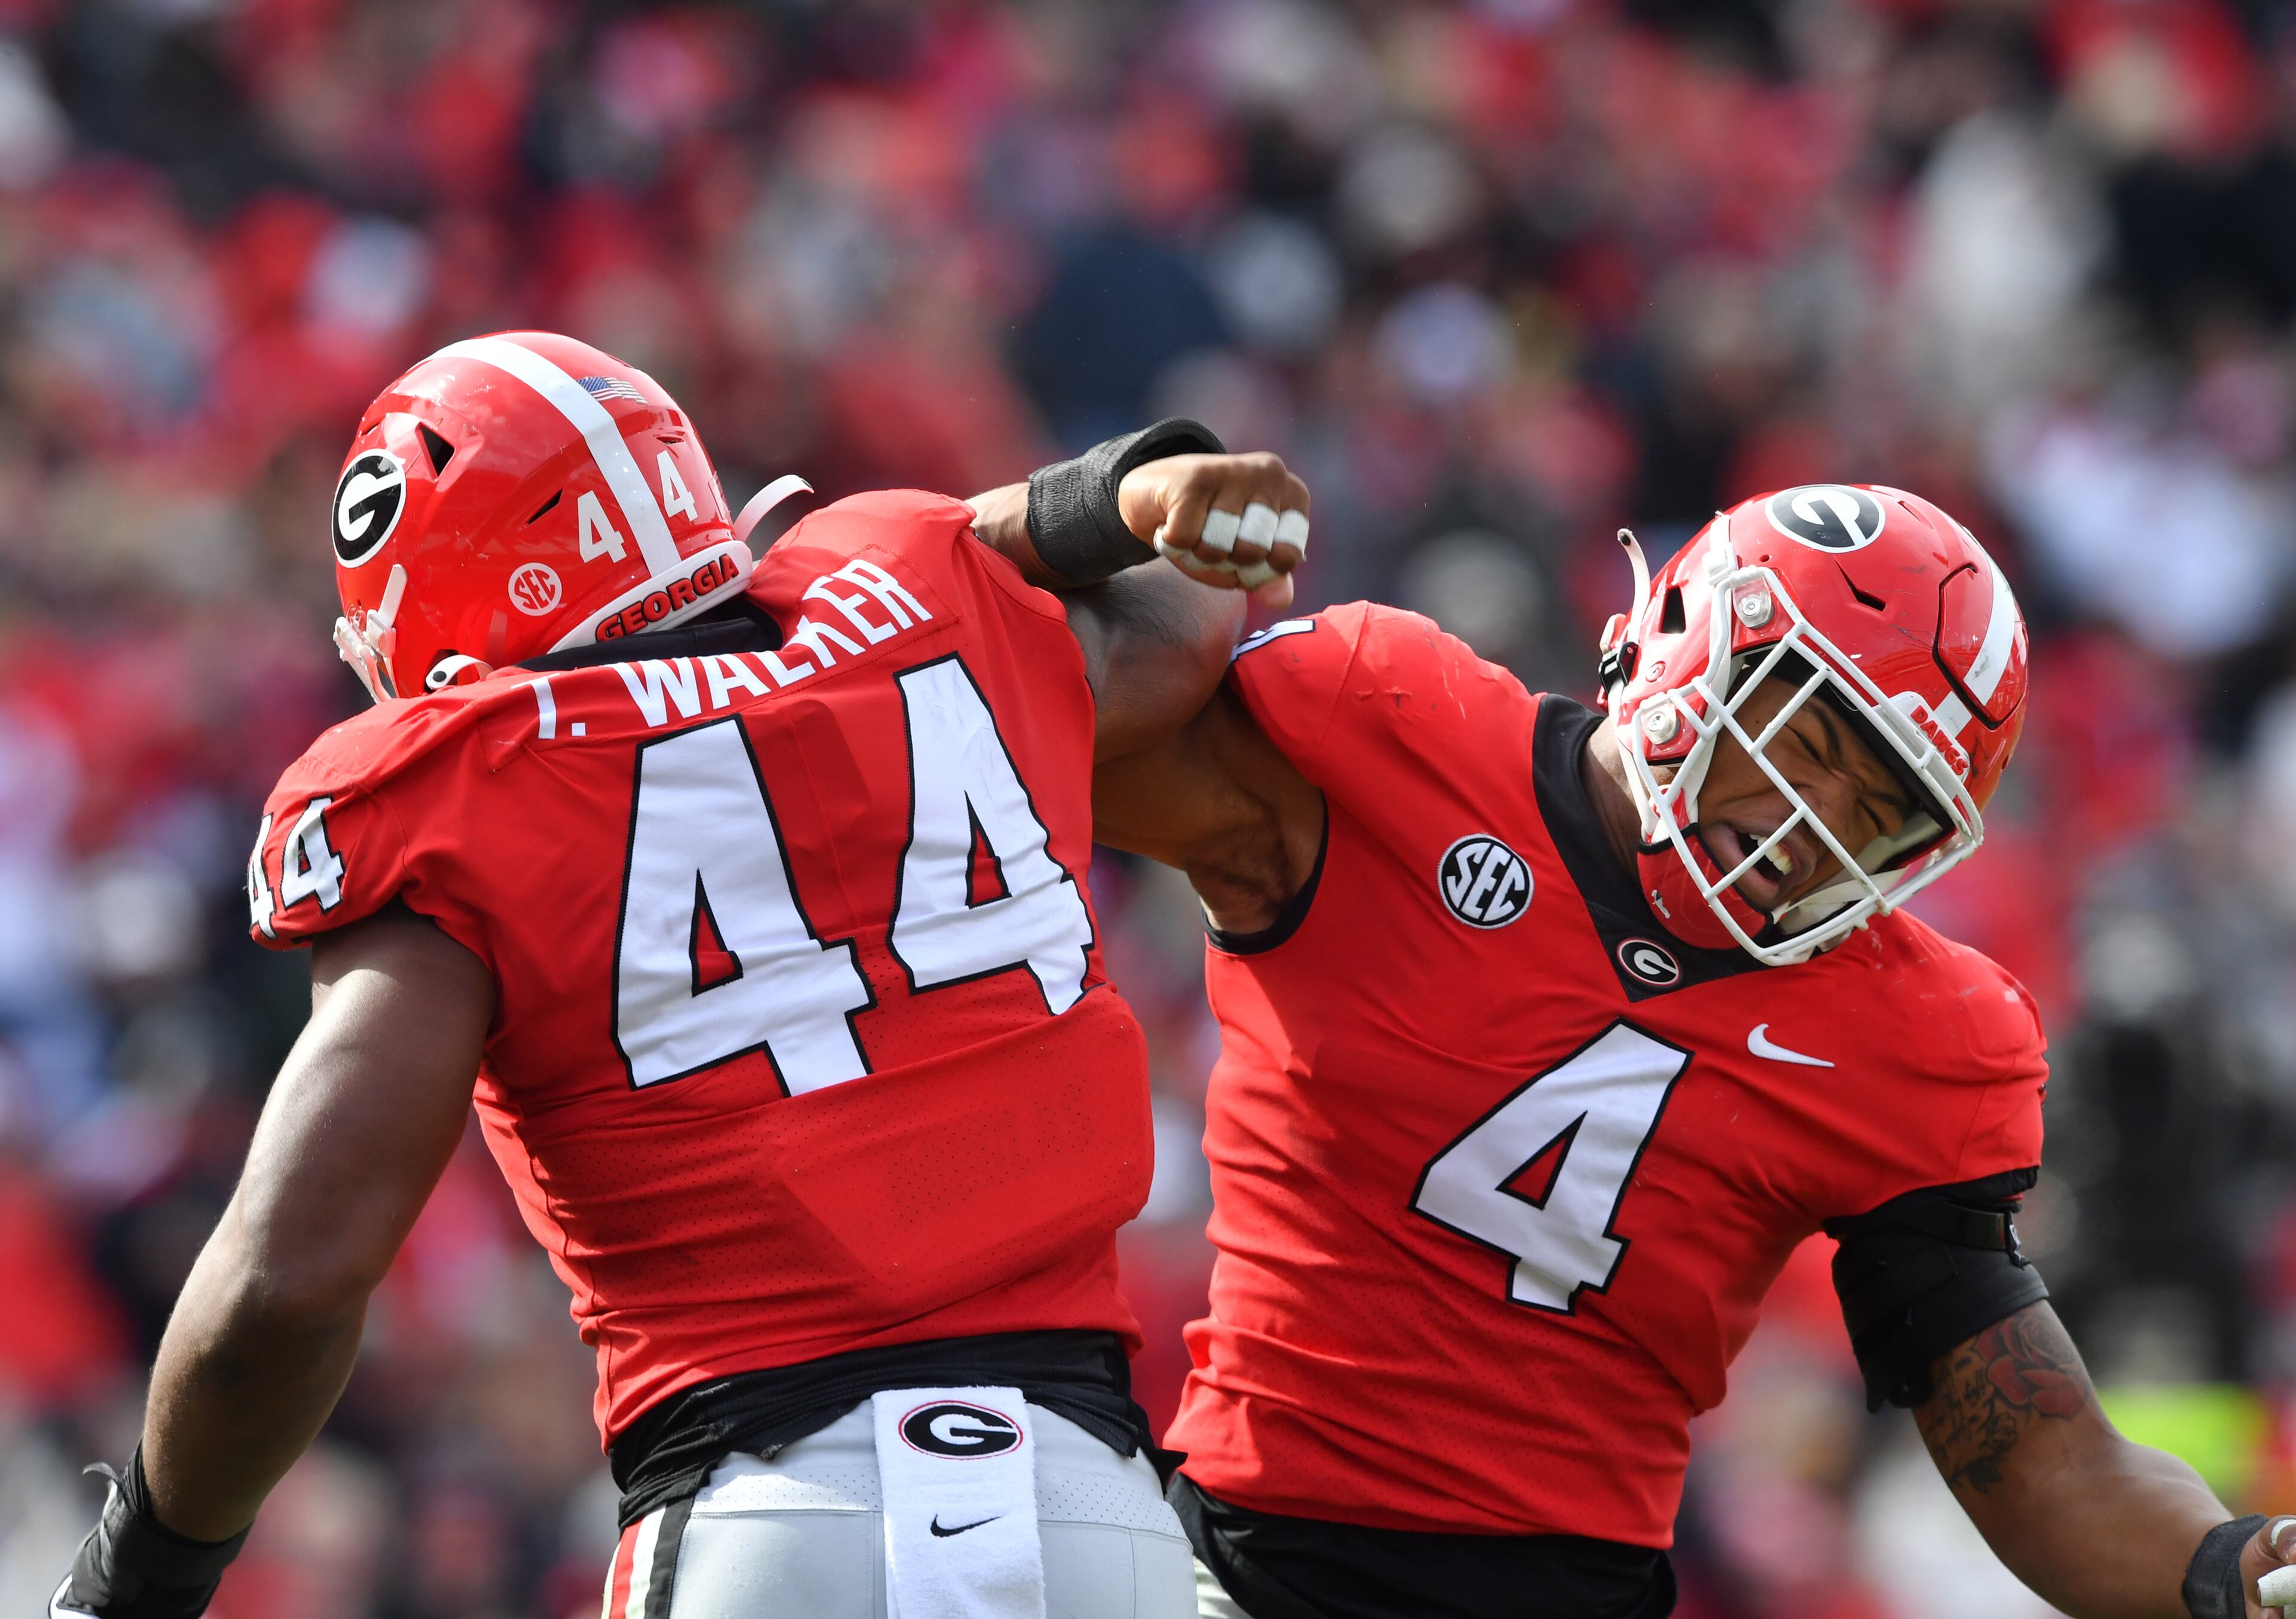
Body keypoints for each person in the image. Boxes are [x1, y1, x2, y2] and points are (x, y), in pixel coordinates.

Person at [50, 329, 1311, 1619]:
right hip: (1094, 1516)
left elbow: (291, 1277)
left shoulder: (467, 783)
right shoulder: (917, 591)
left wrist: (131, 1578)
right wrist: (1092, 497)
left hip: (768, 1513)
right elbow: (1179, 613)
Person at [1088, 482, 2296, 1619]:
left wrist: (2228, 1570)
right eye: (1808, 737)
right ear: (1694, 638)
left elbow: (2040, 1454)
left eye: (1883, 810)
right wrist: (1108, 509)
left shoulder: (1913, 1035)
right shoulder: (1400, 728)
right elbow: (1043, 728)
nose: (1813, 823)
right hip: (1255, 1566)